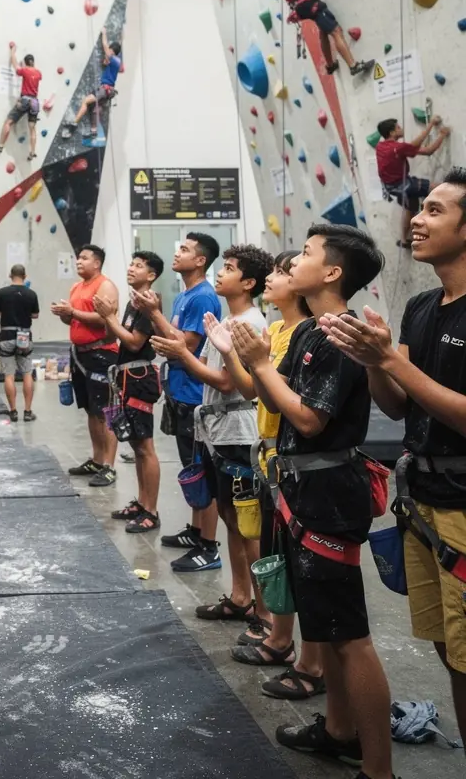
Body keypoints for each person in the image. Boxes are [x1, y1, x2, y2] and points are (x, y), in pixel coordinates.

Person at [230, 224, 390, 779]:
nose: (293, 260)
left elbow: (307, 416)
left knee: (350, 637)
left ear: (331, 273)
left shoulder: (338, 335)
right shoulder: (306, 333)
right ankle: (341, 731)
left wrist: (258, 364)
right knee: (326, 628)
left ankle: (378, 768)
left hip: (327, 494)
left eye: (305, 254)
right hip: (302, 486)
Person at [321, 169, 466, 750]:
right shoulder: (423, 305)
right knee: (448, 651)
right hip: (424, 505)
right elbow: (397, 403)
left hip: (462, 508)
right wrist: (374, 359)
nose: (417, 220)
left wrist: (390, 359)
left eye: (433, 209)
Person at [205, 252, 324, 700]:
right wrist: (231, 355)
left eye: (282, 271)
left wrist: (256, 363)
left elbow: (286, 402)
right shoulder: (274, 330)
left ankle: (307, 658)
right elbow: (255, 390)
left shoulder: (309, 333)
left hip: (297, 462)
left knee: (304, 563)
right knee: (279, 553)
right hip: (271, 457)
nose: (275, 278)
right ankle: (279, 636)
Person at [152, 245, 272, 611]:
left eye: (231, 269)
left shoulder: (250, 324)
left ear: (249, 282)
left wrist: (180, 353)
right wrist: (181, 352)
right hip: (216, 431)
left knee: (247, 523)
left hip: (238, 433)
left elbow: (225, 382)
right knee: (230, 518)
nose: (221, 273)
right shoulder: (223, 322)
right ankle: (240, 597)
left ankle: (264, 611)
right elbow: (203, 367)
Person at [133, 232, 222, 571]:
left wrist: (154, 314)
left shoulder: (202, 298)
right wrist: (160, 322)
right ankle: (197, 530)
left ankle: (208, 546)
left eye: (184, 249)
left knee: (202, 472)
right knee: (191, 467)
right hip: (179, 392)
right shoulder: (185, 295)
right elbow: (165, 339)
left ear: (200, 260)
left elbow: (181, 343)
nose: (177, 252)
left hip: (194, 394)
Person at [94, 251, 164, 532]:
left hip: (139, 377)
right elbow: (117, 336)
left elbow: (135, 343)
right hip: (126, 376)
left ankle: (152, 510)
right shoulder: (133, 303)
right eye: (131, 264)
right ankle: (142, 502)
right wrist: (108, 317)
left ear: (151, 275)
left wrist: (108, 317)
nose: (131, 268)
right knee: (136, 445)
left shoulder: (148, 304)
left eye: (139, 266)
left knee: (145, 447)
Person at [52, 244, 120, 488]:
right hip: (81, 356)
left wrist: (73, 312)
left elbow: (106, 318)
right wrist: (64, 314)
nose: (78, 261)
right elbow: (73, 318)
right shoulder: (76, 286)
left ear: (97, 263)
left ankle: (109, 466)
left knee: (106, 412)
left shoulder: (105, 285)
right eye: (77, 258)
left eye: (84, 258)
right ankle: (97, 459)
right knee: (91, 411)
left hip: (102, 355)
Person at [375, 116, 450, 248]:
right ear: (392, 133)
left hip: (391, 186)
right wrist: (440, 133)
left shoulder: (381, 147)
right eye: (398, 127)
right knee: (440, 189)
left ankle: (404, 240)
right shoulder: (396, 148)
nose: (401, 128)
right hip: (402, 184)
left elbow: (419, 149)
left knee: (411, 207)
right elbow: (427, 150)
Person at [0, 264, 40, 422]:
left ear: (10, 275)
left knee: (9, 375)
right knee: (27, 373)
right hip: (24, 335)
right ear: (25, 276)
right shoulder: (31, 294)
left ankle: (13, 411)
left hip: (6, 335)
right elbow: (35, 315)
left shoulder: (2, 293)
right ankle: (27, 411)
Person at [68, 27, 121, 135]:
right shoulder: (116, 62)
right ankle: (93, 132)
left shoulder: (114, 59)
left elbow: (105, 47)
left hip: (104, 89)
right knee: (94, 109)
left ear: (112, 51)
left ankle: (74, 123)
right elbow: (106, 64)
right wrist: (106, 61)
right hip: (107, 92)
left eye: (109, 51)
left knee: (86, 101)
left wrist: (104, 34)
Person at [0, 43, 40, 160]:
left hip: (25, 100)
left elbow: (15, 65)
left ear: (26, 63)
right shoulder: (38, 73)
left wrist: (13, 52)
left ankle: (0, 146)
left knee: (8, 122)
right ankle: (32, 152)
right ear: (33, 62)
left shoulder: (25, 71)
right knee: (32, 128)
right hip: (35, 103)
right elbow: (31, 74)